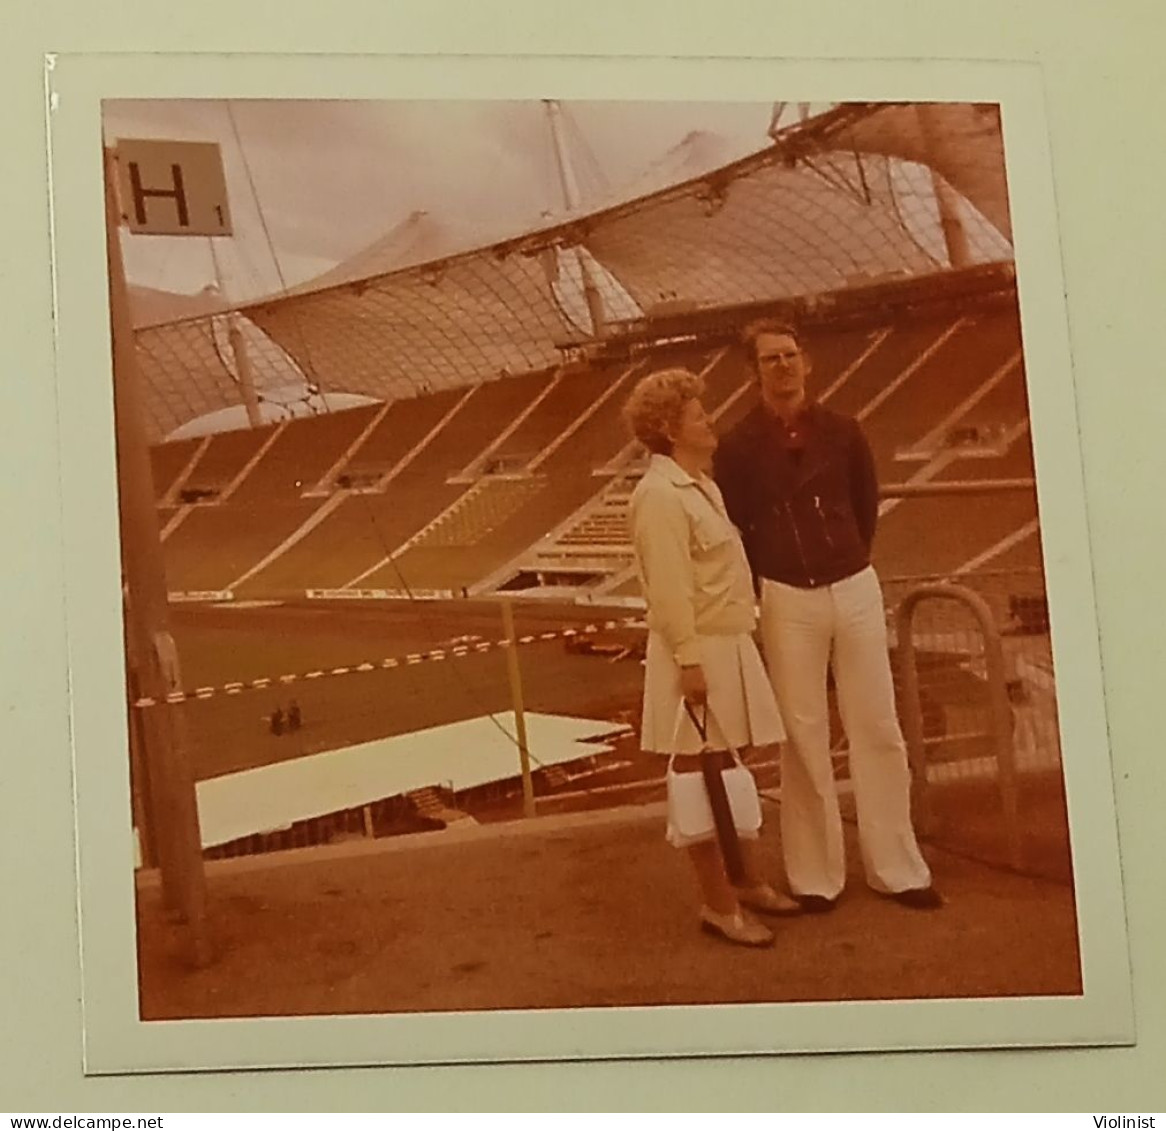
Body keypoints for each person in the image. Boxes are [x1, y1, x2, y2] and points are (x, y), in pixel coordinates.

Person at [714, 319, 941, 912]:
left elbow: (864, 507)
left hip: (853, 584)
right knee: (803, 736)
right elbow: (739, 525)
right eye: (769, 359)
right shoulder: (736, 447)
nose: (783, 366)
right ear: (754, 372)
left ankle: (898, 869)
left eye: (790, 356)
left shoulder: (844, 432)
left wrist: (847, 560)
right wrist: (775, 576)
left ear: (806, 364)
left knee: (879, 729)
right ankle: (816, 877)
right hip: (788, 594)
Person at [623, 367, 801, 948]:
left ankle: (745, 880)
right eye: (698, 414)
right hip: (696, 650)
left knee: (730, 767)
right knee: (699, 780)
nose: (709, 420)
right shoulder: (658, 497)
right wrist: (688, 661)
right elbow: (669, 589)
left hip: (729, 643)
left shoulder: (702, 484)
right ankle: (717, 904)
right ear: (671, 428)